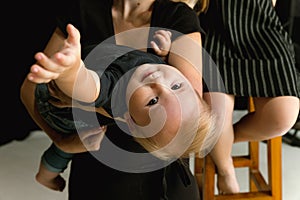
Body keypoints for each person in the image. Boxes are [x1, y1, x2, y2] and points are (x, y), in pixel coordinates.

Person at [20, 0, 212, 199]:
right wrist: (62, 141)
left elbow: (186, 114)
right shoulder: (82, 10)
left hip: (161, 183)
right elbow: (30, 89)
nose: (159, 84)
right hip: (96, 176)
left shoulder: (176, 17)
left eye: (153, 101)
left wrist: (80, 101)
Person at [198, 0, 300, 194]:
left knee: (283, 115)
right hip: (213, 29)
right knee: (216, 116)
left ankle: (221, 143)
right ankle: (225, 169)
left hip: (263, 28)